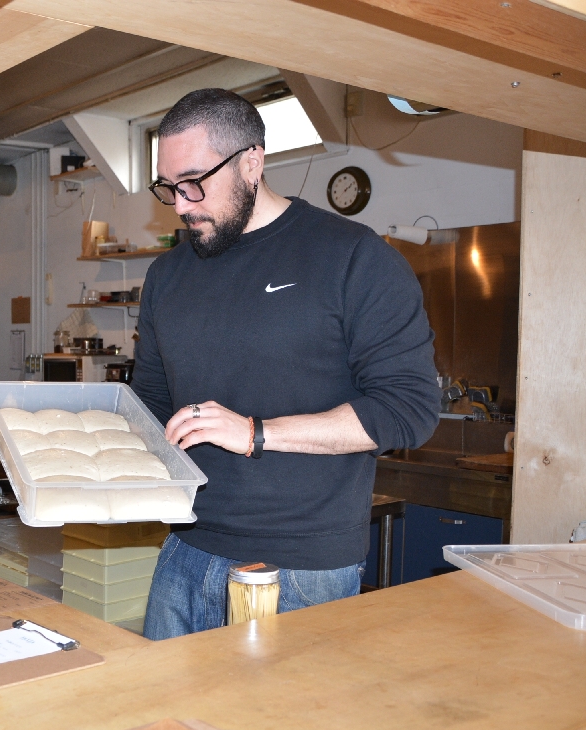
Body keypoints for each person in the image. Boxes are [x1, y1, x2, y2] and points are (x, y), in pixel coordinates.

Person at [132, 89, 438, 640]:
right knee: (160, 721)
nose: (181, 204)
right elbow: (150, 404)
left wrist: (256, 433)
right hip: (185, 548)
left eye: (195, 183)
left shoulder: (353, 258)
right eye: (169, 188)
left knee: (273, 729)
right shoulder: (167, 277)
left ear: (252, 163)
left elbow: (407, 409)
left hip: (300, 567)